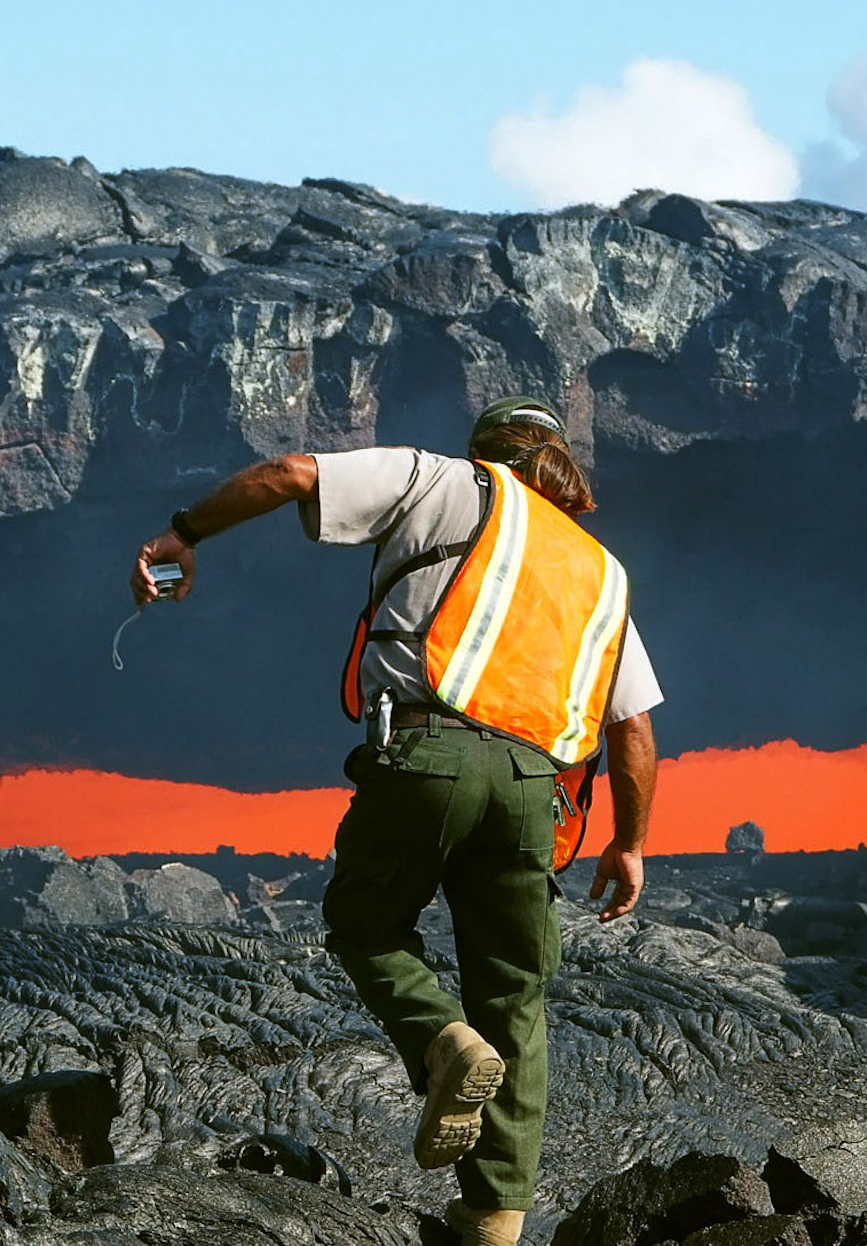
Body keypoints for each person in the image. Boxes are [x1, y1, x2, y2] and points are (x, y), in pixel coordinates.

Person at [129, 396, 662, 1246]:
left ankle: (440, 1042)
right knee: (515, 997)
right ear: (559, 465)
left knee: (368, 926)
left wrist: (184, 531)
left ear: (488, 450)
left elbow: (289, 474)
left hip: (426, 754)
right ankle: (493, 1223)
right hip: (534, 795)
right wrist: (628, 845)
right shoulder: (602, 573)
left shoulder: (440, 480)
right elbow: (633, 730)